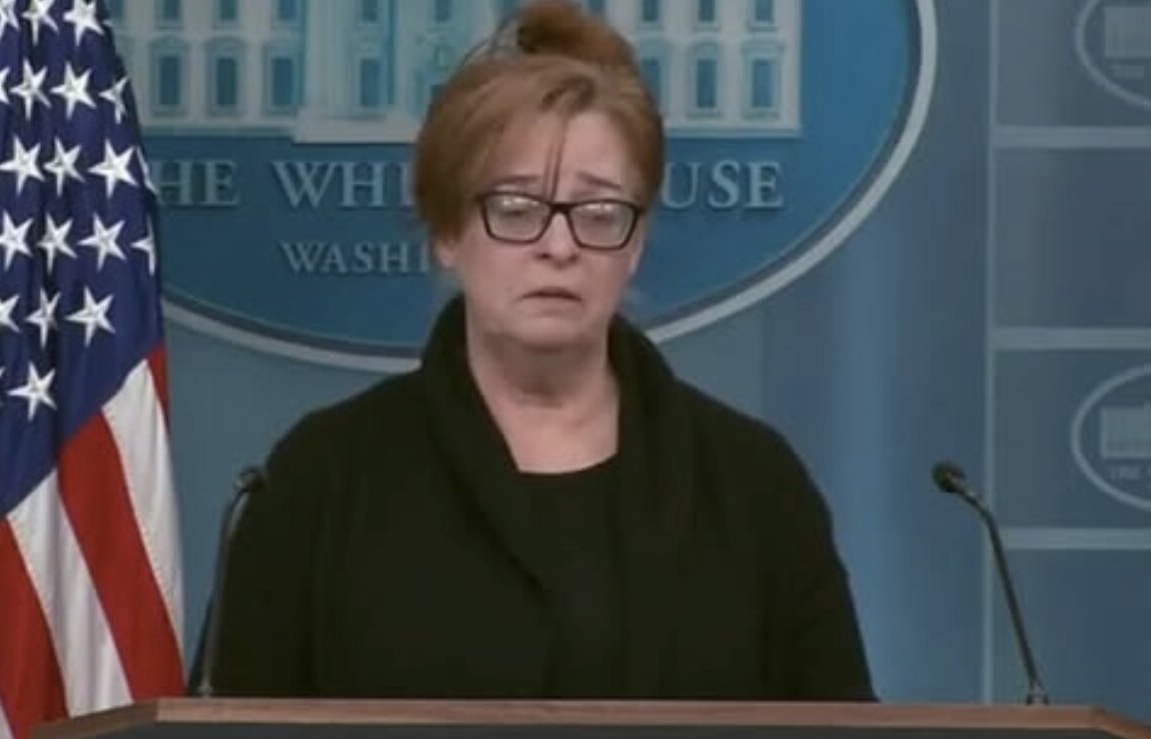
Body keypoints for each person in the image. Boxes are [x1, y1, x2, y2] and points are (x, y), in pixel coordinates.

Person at [207, 0, 875, 701]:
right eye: (517, 209)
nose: (559, 246)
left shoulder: (753, 485)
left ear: (635, 243)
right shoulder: (321, 479)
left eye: (598, 212)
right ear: (447, 230)